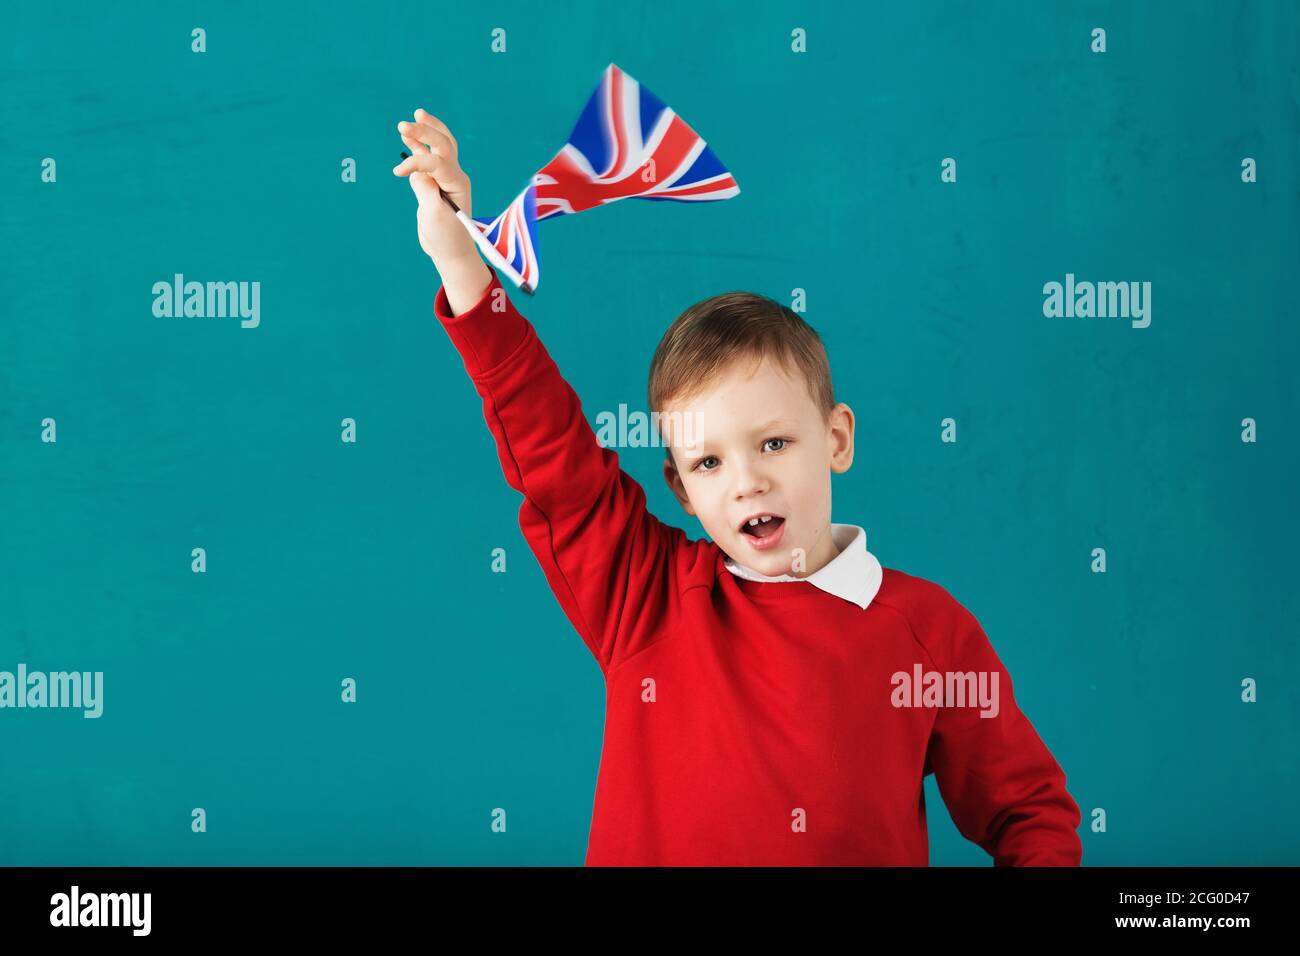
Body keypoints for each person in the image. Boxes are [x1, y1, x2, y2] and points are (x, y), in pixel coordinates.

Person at [392, 109, 1083, 866]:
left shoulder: (929, 631)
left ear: (838, 439)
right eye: (709, 463)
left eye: (775, 443)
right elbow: (552, 454)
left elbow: (1029, 813)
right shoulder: (644, 595)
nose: (748, 481)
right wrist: (465, 269)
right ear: (681, 488)